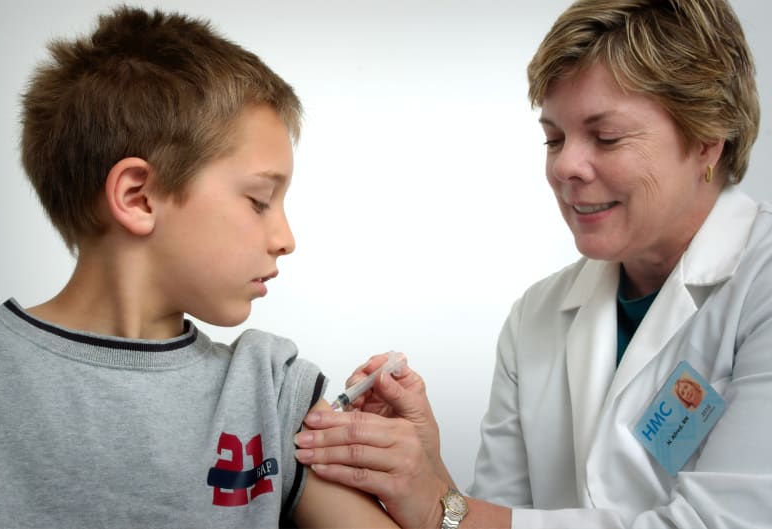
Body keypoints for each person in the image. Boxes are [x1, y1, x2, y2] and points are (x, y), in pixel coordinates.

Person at [293, 0, 771, 527]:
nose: (565, 165)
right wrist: (428, 471)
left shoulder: (759, 283)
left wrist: (435, 507)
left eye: (606, 137)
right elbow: (493, 518)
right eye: (554, 138)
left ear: (707, 137)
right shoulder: (537, 316)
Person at [0, 6, 398, 529]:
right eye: (260, 200)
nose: (286, 240)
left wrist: (428, 479)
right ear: (139, 197)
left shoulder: (270, 391)